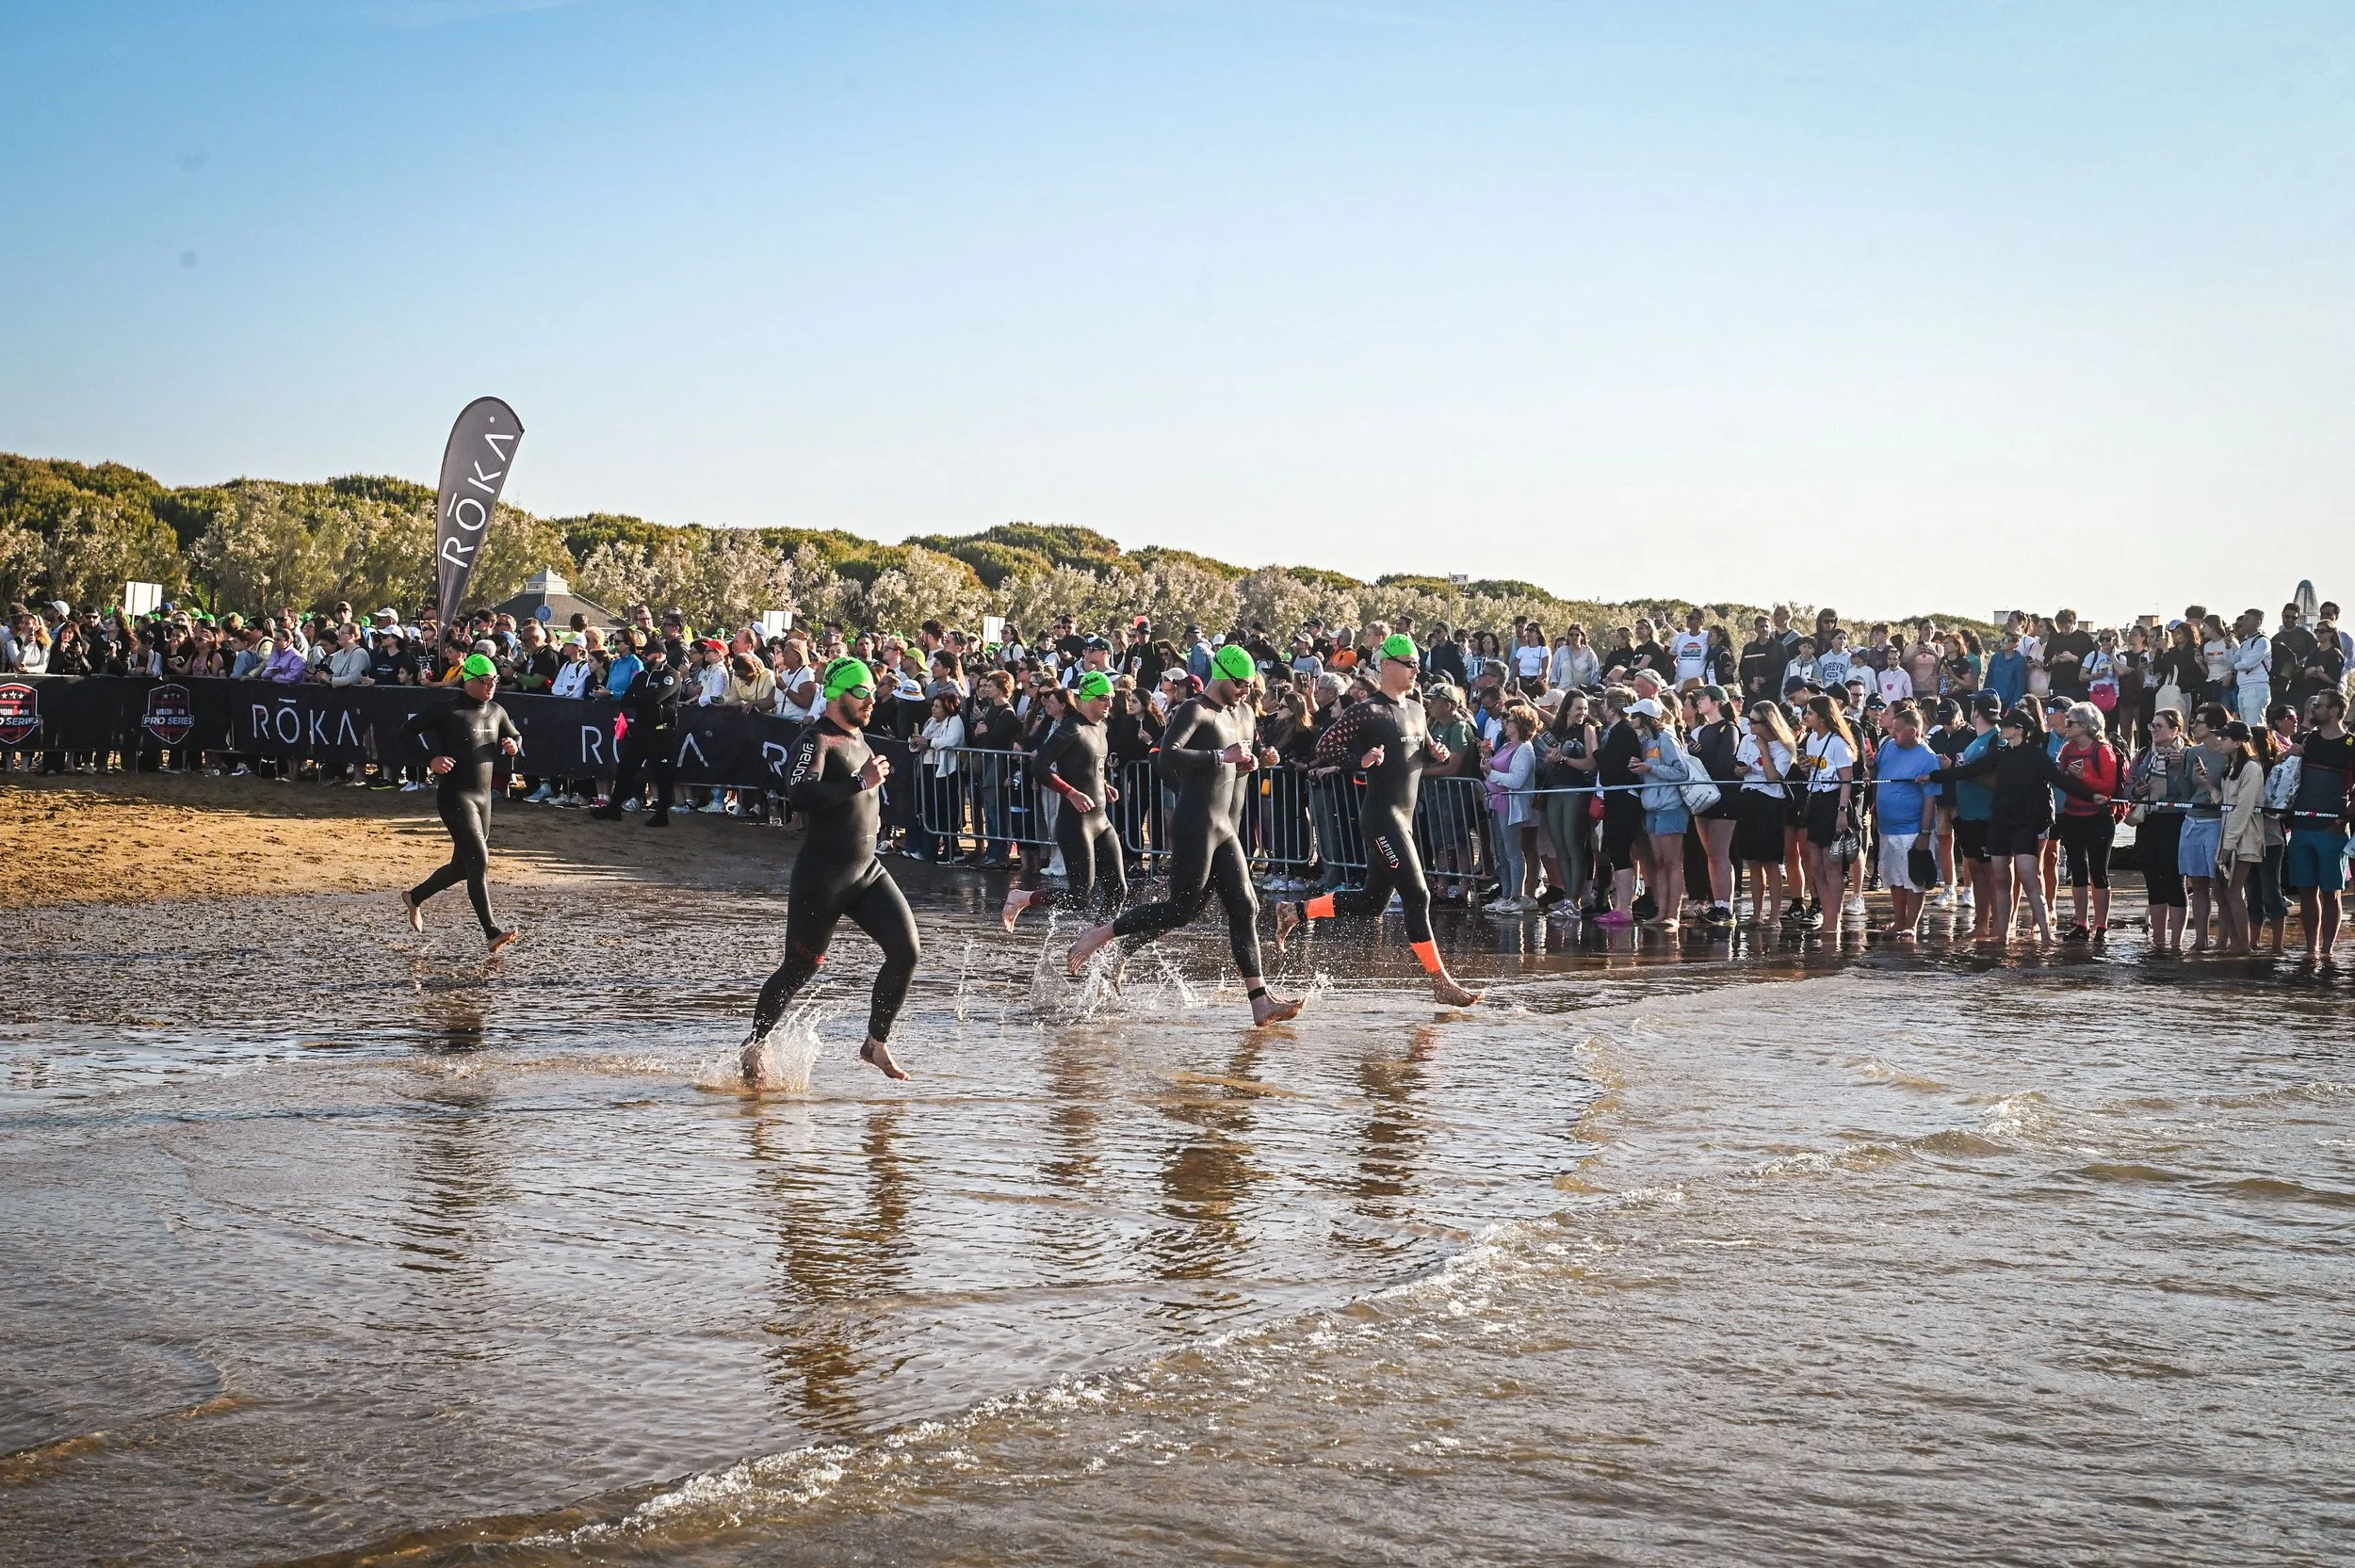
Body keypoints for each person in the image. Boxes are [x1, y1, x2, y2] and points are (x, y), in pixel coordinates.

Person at [1064, 644, 1303, 1026]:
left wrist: (1259, 761)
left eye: (1249, 686)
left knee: (1246, 907)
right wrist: (1218, 759)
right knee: (1180, 909)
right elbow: (1166, 757)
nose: (1246, 691)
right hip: (1196, 824)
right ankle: (1101, 935)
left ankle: (1260, 1002)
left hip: (1226, 827)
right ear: (1222, 675)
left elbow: (1240, 761)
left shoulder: (1243, 712)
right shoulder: (1195, 710)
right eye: (1241, 684)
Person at [1271, 636, 1481, 1005]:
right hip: (1381, 818)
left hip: (1403, 817)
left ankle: (1294, 912)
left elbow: (1424, 746)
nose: (1417, 669)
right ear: (1386, 664)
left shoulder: (1416, 708)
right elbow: (1326, 747)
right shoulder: (1367, 711)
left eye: (1418, 663)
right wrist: (1360, 759)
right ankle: (1441, 983)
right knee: (1418, 894)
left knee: (1371, 902)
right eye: (1409, 663)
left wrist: (1437, 750)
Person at [744, 657, 919, 1081]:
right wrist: (860, 783)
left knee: (906, 951)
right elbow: (799, 795)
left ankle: (876, 1042)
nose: (870, 700)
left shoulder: (861, 741)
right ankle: (755, 1046)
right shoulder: (816, 739)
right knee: (799, 968)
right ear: (836, 693)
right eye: (860, 692)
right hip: (823, 874)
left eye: (872, 692)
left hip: (867, 870)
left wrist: (866, 781)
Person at [1927, 704, 2105, 946]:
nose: (2001, 728)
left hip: (2026, 823)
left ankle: (2045, 934)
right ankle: (2002, 932)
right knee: (2001, 880)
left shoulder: (2035, 756)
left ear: (2019, 729)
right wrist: (1934, 776)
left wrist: (2090, 795)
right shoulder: (2000, 754)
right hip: (2000, 821)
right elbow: (1970, 771)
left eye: (2007, 725)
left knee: (2030, 878)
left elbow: (2061, 781)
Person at [398, 654, 522, 954]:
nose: (490, 686)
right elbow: (406, 733)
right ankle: (492, 932)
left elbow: (515, 735)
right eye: (484, 681)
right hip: (456, 796)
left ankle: (414, 897)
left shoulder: (496, 711)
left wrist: (513, 745)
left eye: (494, 681)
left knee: (461, 868)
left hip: (483, 799)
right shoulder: (446, 711)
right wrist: (431, 759)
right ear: (468, 681)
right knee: (479, 860)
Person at [1003, 670, 1129, 929]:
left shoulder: (1102, 727)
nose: (1109, 704)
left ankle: (1098, 940)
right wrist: (1070, 792)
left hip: (1101, 820)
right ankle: (1022, 897)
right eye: (1103, 698)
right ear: (1087, 698)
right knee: (1080, 897)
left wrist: (1103, 785)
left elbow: (1088, 766)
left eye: (1111, 698)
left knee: (1119, 889)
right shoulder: (1071, 729)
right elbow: (1038, 766)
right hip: (1076, 823)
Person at [2284, 687, 2353, 963]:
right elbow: (2283, 776)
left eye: (2320, 705)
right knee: (2306, 890)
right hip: (2301, 826)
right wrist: (2288, 755)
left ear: (2335, 711)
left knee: (2330, 891)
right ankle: (2310, 948)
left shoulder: (2351, 744)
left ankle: (2327, 950)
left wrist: (2342, 820)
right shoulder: (2306, 739)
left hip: (2332, 829)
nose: (2314, 709)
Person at [2051, 703, 2122, 941]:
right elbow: (2058, 776)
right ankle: (2081, 921)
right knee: (2078, 870)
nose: (2066, 725)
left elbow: (2108, 788)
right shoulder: (2068, 748)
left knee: (2098, 871)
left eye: (2071, 722)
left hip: (2098, 818)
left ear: (2086, 725)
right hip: (2073, 815)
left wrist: (2084, 777)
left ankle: (2101, 924)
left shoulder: (2102, 750)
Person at [1872, 701, 1941, 939]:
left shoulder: (1927, 758)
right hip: (1886, 828)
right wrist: (1870, 763)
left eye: (1897, 730)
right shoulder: (1889, 746)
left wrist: (1924, 832)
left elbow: (1930, 798)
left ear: (1913, 731)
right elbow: (1876, 773)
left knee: (1914, 878)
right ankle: (1898, 920)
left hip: (1911, 829)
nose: (1892, 733)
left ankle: (1912, 923)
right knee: (1893, 877)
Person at [593, 641, 682, 826]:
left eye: (648, 653)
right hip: (642, 729)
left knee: (662, 773)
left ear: (659, 654)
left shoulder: (671, 675)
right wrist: (643, 696)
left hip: (661, 731)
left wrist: (641, 696)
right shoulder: (642, 675)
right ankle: (614, 807)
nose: (644, 657)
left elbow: (656, 698)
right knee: (626, 767)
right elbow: (628, 698)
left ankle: (661, 813)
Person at [1734, 701, 1795, 926]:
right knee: (1752, 860)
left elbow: (1772, 776)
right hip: (1749, 797)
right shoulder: (1746, 740)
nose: (1750, 725)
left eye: (1755, 722)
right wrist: (1740, 770)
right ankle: (1757, 913)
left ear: (1769, 723)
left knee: (1770, 861)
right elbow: (1738, 767)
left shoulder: (1784, 745)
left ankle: (1774, 916)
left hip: (1770, 802)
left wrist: (1764, 751)